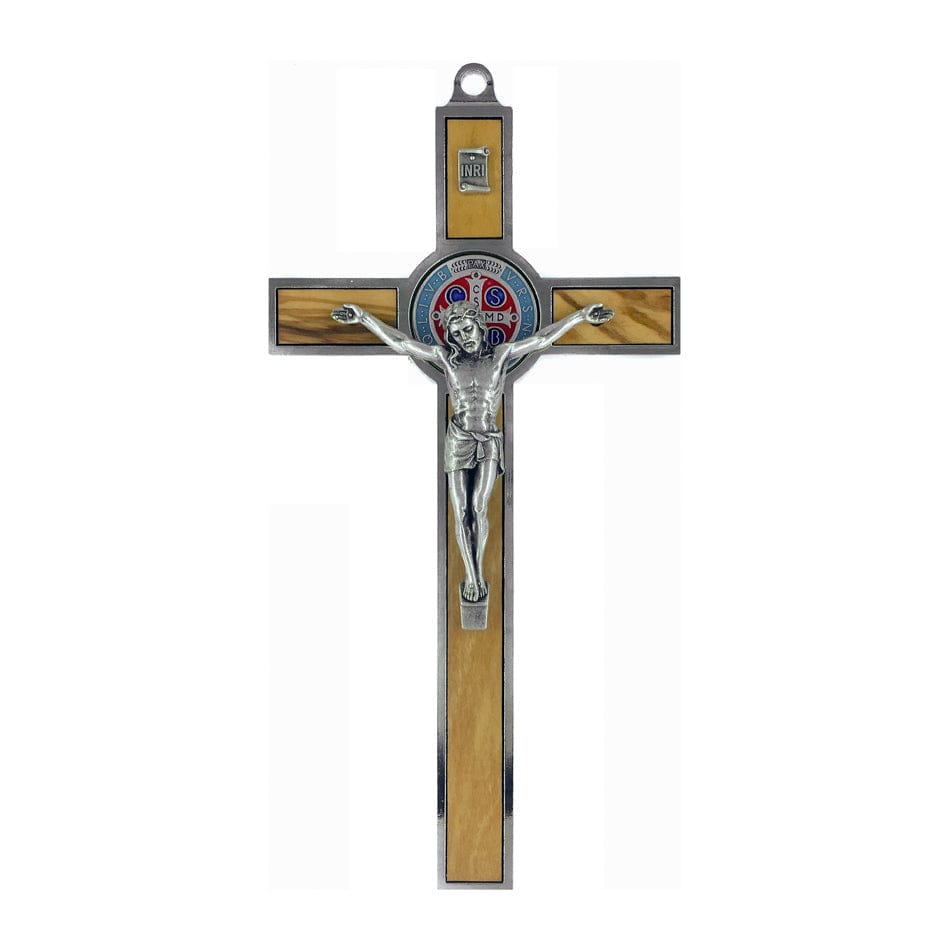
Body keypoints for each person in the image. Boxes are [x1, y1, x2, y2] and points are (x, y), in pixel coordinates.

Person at [332, 298, 613, 603]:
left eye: (467, 329)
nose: (463, 337)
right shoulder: (447, 359)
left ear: (480, 326)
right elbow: (402, 344)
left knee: (479, 506)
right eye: (456, 333)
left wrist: (580, 316)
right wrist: (364, 317)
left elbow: (541, 339)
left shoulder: (500, 355)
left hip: (489, 437)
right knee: (461, 510)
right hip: (458, 438)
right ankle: (472, 575)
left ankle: (477, 570)